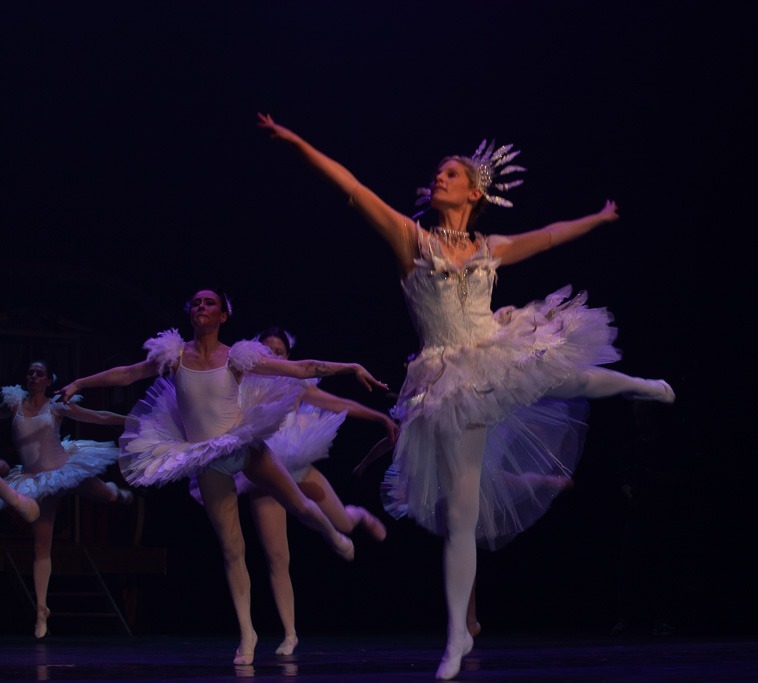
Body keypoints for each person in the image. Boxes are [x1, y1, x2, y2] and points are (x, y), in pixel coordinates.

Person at [258, 114, 676, 679]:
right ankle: (457, 637)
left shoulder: (490, 246)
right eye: (437, 173)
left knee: (562, 373)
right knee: (462, 513)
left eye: (449, 173)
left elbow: (550, 235)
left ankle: (640, 387)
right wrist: (297, 142)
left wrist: (599, 219)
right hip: (446, 378)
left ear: (474, 191)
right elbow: (352, 189)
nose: (438, 178)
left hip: (493, 348)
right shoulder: (412, 238)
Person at [57, 288, 389, 665]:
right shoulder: (175, 355)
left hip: (243, 443)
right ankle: (247, 633)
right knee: (233, 549)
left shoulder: (236, 357)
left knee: (298, 504)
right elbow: (127, 374)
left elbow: (302, 368)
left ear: (223, 316)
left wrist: (349, 367)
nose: (201, 307)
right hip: (207, 457)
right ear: (190, 313)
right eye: (196, 303)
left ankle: (332, 533)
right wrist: (80, 383)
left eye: (209, 303)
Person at [189, 325, 398, 656]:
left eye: (279, 351)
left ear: (287, 356)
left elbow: (338, 403)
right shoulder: (241, 383)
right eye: (267, 349)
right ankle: (290, 633)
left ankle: (354, 516)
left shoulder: (295, 385)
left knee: (341, 524)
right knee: (277, 558)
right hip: (262, 477)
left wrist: (379, 418)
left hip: (298, 465)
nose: (273, 355)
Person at [1, 360, 134, 638]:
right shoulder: (13, 404)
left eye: (39, 373)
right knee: (42, 544)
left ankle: (117, 493)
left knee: (104, 495)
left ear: (49, 380)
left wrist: (128, 420)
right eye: (30, 372)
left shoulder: (57, 406)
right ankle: (41, 610)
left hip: (64, 468)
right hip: (34, 480)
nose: (33, 376)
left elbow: (95, 416)